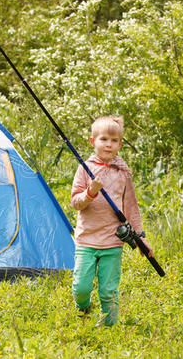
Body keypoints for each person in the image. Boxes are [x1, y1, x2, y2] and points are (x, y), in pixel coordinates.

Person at [71, 115, 153, 326]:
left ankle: (109, 329)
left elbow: (131, 208)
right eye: (103, 139)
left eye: (114, 140)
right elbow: (76, 203)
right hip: (86, 240)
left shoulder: (123, 173)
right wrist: (91, 192)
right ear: (92, 141)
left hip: (112, 243)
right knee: (81, 288)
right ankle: (84, 307)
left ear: (120, 144)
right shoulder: (84, 168)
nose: (109, 144)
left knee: (108, 290)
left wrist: (141, 238)